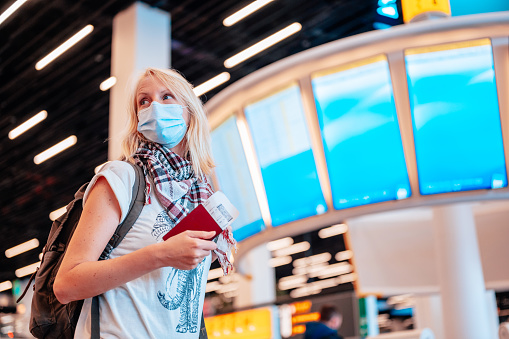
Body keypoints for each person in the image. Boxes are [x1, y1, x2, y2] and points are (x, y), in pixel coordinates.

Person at [53, 67, 235, 338]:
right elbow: (67, 284)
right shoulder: (122, 177)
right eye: (144, 100)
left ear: (190, 113)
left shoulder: (201, 194)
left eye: (167, 96)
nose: (155, 107)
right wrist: (160, 254)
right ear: (137, 117)